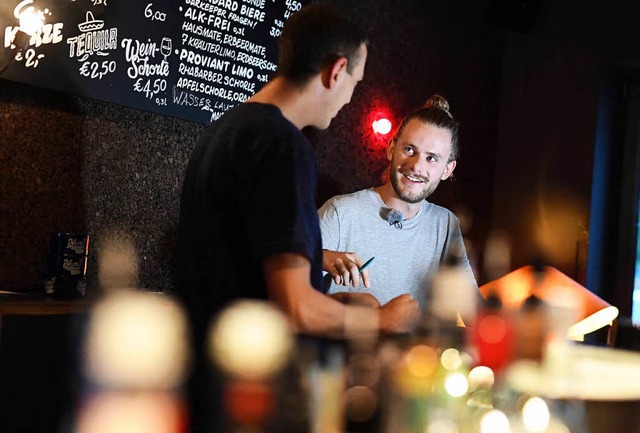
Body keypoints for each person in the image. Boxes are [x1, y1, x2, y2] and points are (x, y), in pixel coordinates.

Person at [319, 95, 477, 311]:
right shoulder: (340, 212)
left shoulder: (447, 225)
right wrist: (322, 257)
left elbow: (470, 310)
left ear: (447, 170)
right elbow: (291, 279)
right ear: (392, 148)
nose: (416, 166)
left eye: (432, 158)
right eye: (409, 150)